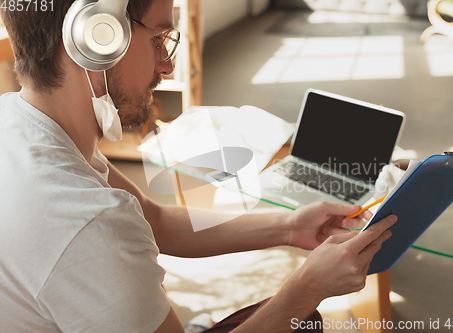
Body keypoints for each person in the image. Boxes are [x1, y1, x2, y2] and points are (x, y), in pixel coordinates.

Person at [0, 0, 397, 332]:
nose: (167, 66)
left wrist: (291, 227)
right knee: (306, 319)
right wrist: (308, 288)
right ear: (96, 38)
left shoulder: (21, 123)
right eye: (157, 39)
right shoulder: (88, 224)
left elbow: (154, 218)